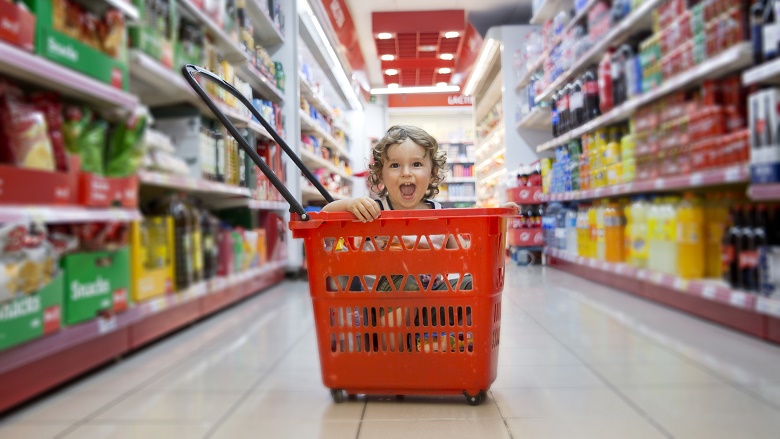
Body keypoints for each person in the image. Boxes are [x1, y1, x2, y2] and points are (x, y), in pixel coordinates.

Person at [322, 125, 517, 292]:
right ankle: (395, 338)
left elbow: (467, 258)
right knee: (406, 281)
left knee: (472, 282)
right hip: (384, 302)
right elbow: (324, 218)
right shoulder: (374, 211)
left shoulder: (440, 217)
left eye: (416, 164)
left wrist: (494, 217)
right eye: (395, 165)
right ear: (381, 175)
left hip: (432, 299)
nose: (406, 173)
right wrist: (349, 205)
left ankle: (449, 334)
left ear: (432, 174)